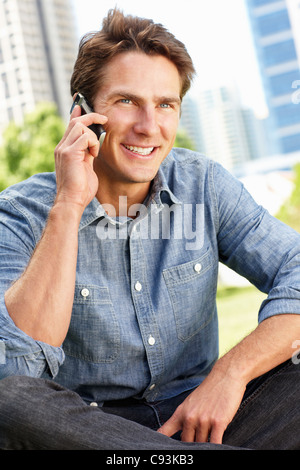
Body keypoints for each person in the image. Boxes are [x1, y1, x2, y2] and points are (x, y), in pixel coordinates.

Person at [0, 8, 299, 451]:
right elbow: (19, 369)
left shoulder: (203, 183)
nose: (149, 126)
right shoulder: (21, 213)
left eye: (165, 104)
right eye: (126, 101)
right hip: (93, 433)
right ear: (82, 113)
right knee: (7, 399)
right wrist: (68, 205)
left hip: (205, 420)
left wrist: (230, 373)